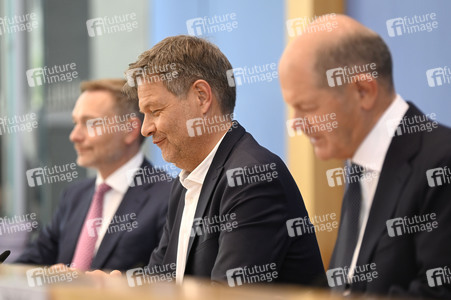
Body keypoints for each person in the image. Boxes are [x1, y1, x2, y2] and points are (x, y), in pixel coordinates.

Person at [116, 35, 325, 286]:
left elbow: (227, 294)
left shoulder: (251, 177)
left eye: (155, 111)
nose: (145, 129)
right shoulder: (185, 183)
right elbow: (160, 280)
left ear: (202, 97)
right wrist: (112, 287)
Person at [279, 14, 451, 298]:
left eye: (307, 106)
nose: (296, 123)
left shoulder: (441, 162)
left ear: (363, 91)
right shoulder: (359, 167)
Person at [16, 79, 171, 271]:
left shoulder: (169, 196)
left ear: (130, 130)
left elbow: (166, 280)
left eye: (89, 123)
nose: (74, 136)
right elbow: (32, 260)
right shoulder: (73, 196)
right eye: (75, 123)